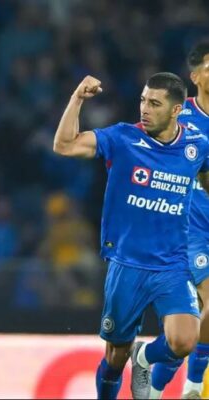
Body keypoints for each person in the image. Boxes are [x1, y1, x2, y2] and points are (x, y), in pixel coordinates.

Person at [53, 72, 209, 399]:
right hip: (127, 264)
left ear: (176, 110)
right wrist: (77, 98)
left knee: (184, 340)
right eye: (143, 100)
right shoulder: (123, 138)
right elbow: (64, 145)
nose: (145, 109)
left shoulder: (197, 145)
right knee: (114, 358)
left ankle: (144, 356)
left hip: (172, 264)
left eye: (154, 103)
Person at [150, 40, 209, 400]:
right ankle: (193, 385)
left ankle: (151, 386)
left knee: (185, 332)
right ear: (195, 76)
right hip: (190, 230)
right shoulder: (179, 116)